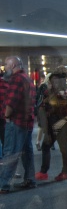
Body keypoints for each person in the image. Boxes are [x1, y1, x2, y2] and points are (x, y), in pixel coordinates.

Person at [0, 56, 36, 193]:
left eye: (6, 65)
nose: (5, 68)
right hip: (27, 122)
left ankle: (3, 184)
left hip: (16, 121)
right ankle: (30, 179)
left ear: (13, 65)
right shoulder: (27, 79)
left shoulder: (16, 79)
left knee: (10, 152)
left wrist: (6, 116)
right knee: (27, 152)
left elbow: (10, 102)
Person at [35, 66, 67, 182]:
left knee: (59, 148)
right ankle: (55, 172)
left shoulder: (60, 92)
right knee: (54, 147)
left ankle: (57, 172)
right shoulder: (59, 91)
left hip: (59, 121)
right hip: (57, 121)